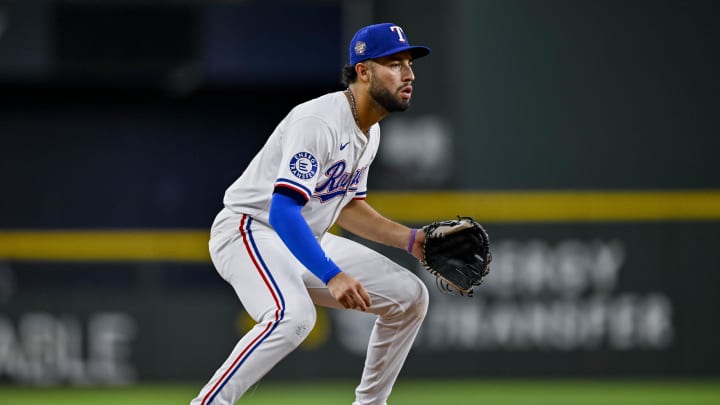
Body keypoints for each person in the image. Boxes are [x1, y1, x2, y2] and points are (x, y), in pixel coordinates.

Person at [191, 23, 432, 405]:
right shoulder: (319, 121)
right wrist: (331, 274)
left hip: (302, 238)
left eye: (409, 63)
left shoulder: (370, 131)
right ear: (363, 71)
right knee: (293, 317)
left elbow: (349, 207)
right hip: (251, 230)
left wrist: (412, 240)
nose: (409, 73)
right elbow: (284, 210)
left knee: (410, 297)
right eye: (394, 63)